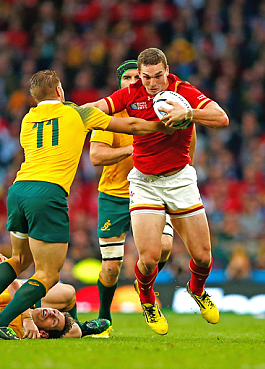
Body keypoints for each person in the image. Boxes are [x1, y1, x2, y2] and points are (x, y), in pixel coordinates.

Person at [0, 70, 173, 340]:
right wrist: (162, 127)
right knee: (47, 275)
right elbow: (130, 127)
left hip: (18, 190)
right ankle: (0, 322)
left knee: (19, 259)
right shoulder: (79, 113)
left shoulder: (28, 119)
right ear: (60, 91)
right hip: (47, 193)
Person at [83, 48, 229, 335]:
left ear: (167, 70)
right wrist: (71, 111)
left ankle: (197, 290)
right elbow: (98, 106)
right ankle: (147, 298)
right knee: (148, 258)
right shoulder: (131, 94)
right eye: (146, 77)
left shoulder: (181, 90)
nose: (152, 83)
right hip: (145, 182)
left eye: (157, 76)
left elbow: (221, 118)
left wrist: (189, 113)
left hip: (179, 179)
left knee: (203, 257)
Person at [88, 60, 177, 338]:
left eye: (136, 77)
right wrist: (133, 147)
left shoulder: (160, 109)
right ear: (120, 85)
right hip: (114, 195)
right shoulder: (108, 118)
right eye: (126, 78)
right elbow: (96, 157)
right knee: (111, 266)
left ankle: (144, 282)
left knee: (163, 247)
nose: (132, 82)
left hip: (153, 189)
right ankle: (104, 319)